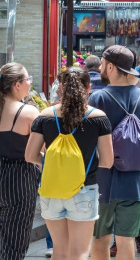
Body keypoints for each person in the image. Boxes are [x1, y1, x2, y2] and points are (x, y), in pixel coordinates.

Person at [25, 67, 114, 260]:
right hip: (84, 189)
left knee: (59, 251)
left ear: (61, 88)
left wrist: (53, 165)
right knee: (80, 252)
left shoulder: (45, 116)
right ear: (88, 88)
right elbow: (107, 161)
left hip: (52, 190)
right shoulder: (98, 118)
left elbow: (30, 156)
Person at [89, 45, 140, 260]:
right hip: (134, 181)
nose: (101, 68)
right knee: (126, 240)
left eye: (102, 64)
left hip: (101, 181)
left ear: (111, 66)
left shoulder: (98, 99)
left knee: (100, 240)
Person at [0, 63, 40, 260]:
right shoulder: (28, 112)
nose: (29, 84)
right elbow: (42, 150)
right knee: (15, 243)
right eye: (28, 79)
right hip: (19, 180)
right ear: (17, 84)